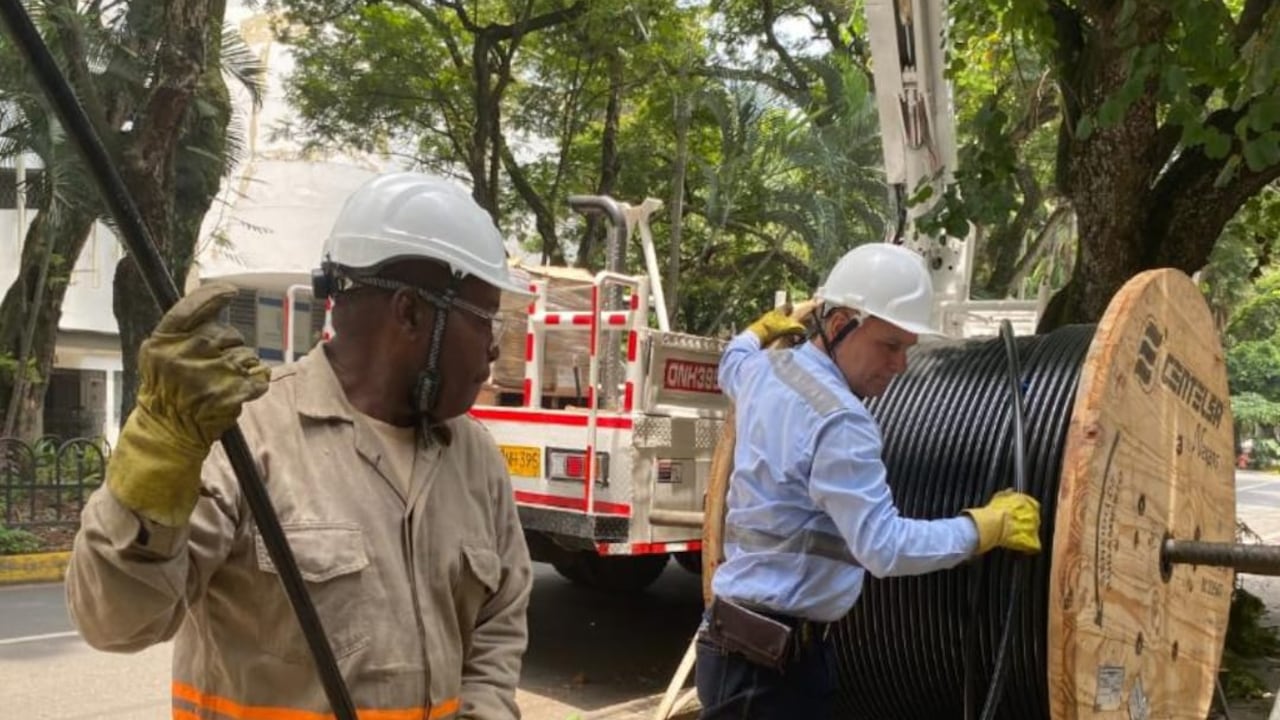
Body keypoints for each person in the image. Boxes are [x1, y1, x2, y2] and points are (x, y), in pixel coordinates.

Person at [66, 172, 534, 719]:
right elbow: (115, 622)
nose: (496, 349)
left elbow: (498, 627)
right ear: (410, 313)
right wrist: (157, 453)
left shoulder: (474, 458)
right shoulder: (240, 436)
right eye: (484, 321)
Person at [695, 243, 1042, 719]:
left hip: (732, 648)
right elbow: (884, 547)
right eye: (890, 345)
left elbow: (731, 362)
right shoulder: (840, 422)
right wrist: (983, 527)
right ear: (839, 326)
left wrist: (756, 332)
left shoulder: (764, 369)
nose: (900, 366)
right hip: (771, 671)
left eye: (907, 349)